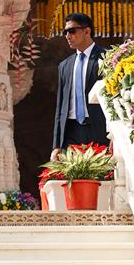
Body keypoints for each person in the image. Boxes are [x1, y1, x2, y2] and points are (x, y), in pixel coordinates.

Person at [51, 12, 108, 159]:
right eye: (65, 32)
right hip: (71, 131)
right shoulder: (64, 65)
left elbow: (114, 98)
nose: (67, 36)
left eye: (72, 31)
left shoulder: (107, 58)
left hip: (98, 127)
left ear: (87, 31)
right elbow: (60, 106)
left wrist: (114, 135)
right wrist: (57, 145)